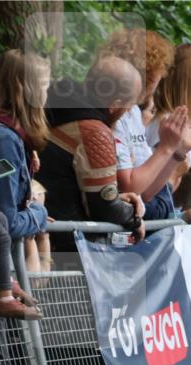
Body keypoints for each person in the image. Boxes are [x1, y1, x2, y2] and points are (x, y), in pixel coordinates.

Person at [38, 56, 145, 238]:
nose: (127, 113)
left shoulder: (48, 105)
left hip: (39, 226)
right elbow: (104, 207)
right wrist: (133, 217)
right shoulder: (94, 132)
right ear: (115, 105)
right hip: (65, 240)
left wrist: (116, 199)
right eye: (128, 107)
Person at [99, 29, 183, 222]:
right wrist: (167, 148)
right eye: (156, 79)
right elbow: (131, 187)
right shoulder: (117, 113)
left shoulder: (134, 112)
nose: (156, 86)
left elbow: (148, 192)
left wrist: (179, 150)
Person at [0, 49, 50, 250]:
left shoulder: (9, 140)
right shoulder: (3, 143)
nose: (47, 94)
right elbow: (4, 222)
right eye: (45, 86)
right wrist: (39, 212)